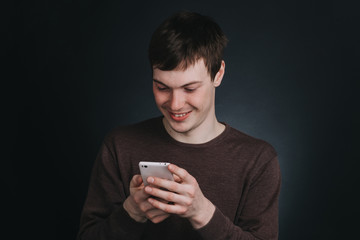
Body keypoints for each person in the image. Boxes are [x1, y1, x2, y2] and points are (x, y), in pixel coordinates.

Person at [77, 11, 281, 240]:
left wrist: (202, 213)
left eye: (190, 88)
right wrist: (131, 212)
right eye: (162, 87)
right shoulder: (119, 146)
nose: (175, 104)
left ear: (218, 73)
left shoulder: (258, 160)